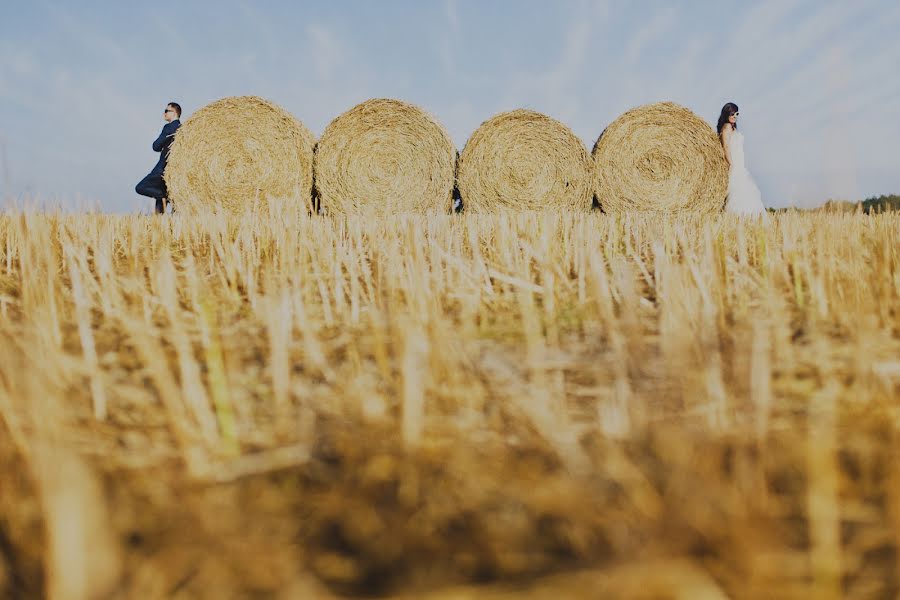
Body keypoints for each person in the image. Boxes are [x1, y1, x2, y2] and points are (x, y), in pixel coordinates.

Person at [717, 103, 766, 216]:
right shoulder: (726, 127)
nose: (735, 116)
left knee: (745, 191)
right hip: (734, 163)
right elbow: (726, 147)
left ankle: (747, 217)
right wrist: (731, 163)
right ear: (726, 114)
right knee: (737, 191)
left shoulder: (733, 127)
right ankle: (738, 216)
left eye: (737, 113)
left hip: (740, 163)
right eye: (732, 114)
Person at [135, 102, 181, 214]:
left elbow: (156, 146)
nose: (164, 113)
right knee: (160, 203)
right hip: (175, 172)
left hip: (162, 169)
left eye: (166, 111)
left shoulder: (169, 127)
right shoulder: (182, 128)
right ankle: (161, 223)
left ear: (174, 113)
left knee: (141, 187)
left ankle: (167, 196)